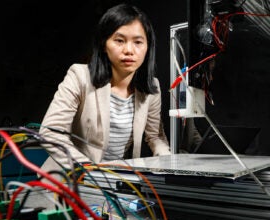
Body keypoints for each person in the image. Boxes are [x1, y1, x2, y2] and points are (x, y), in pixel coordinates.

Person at [40, 3, 171, 171]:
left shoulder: (152, 87)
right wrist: (92, 171)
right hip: (70, 179)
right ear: (104, 44)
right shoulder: (80, 76)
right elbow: (51, 133)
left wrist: (170, 163)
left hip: (117, 180)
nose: (129, 50)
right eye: (119, 40)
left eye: (138, 42)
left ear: (148, 46)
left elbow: (155, 136)